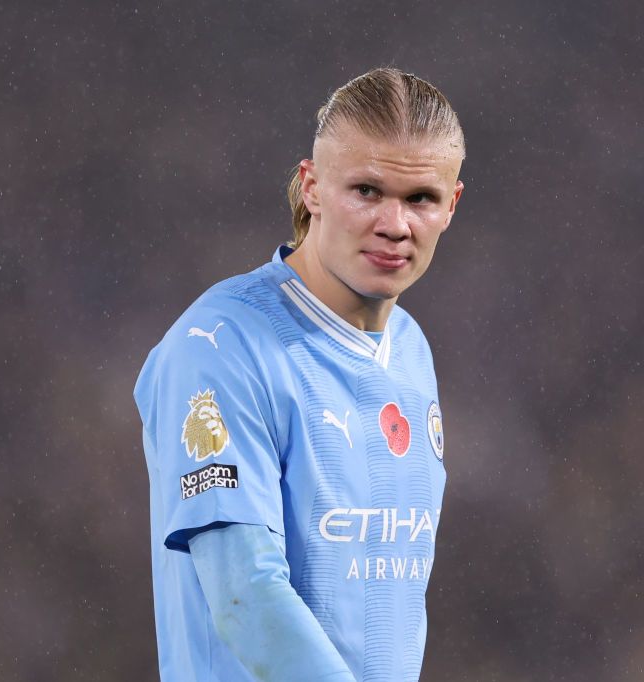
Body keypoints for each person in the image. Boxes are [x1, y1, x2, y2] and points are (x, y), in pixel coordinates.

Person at [133, 67, 465, 681]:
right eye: (366, 190)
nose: (395, 224)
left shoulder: (410, 349)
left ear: (452, 205)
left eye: (421, 198)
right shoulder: (220, 348)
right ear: (311, 188)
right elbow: (246, 597)